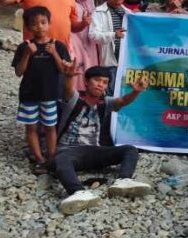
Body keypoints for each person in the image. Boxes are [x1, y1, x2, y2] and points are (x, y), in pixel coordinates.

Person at [55, 63, 151, 215]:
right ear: (86, 82)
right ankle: (78, 192)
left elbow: (122, 101)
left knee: (130, 149)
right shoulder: (74, 100)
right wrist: (68, 77)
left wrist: (136, 91)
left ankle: (123, 180)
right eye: (97, 80)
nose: (100, 84)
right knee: (61, 159)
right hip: (70, 151)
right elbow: (68, 91)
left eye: (105, 82)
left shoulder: (104, 103)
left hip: (94, 151)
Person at [12, 6, 71, 174]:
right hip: (29, 94)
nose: (39, 26)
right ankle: (39, 159)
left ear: (49, 23)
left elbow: (63, 70)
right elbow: (19, 72)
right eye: (34, 23)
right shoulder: (24, 47)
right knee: (31, 128)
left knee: (50, 127)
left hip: (50, 94)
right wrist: (26, 54)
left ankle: (51, 157)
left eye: (43, 22)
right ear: (28, 27)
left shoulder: (58, 46)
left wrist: (54, 54)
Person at [90, 0, 131, 95]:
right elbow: (93, 36)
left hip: (126, 62)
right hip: (109, 62)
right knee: (109, 95)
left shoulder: (130, 14)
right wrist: (113, 35)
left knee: (124, 94)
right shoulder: (98, 12)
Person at [67, 0, 99, 92]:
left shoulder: (91, 7)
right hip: (75, 44)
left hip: (90, 44)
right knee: (78, 74)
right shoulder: (71, 5)